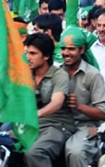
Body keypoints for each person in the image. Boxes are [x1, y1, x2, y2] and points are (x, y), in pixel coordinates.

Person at [24, 34, 77, 167]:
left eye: (33, 53)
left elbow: (56, 103)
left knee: (35, 153)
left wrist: (36, 114)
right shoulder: (26, 74)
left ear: (46, 56)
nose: (28, 57)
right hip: (31, 124)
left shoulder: (59, 75)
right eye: (26, 53)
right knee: (2, 142)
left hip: (57, 125)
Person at [59, 28, 105, 167]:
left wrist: (79, 106)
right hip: (59, 124)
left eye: (71, 49)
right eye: (63, 49)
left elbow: (103, 112)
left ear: (82, 50)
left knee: (75, 151)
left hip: (85, 126)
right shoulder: (57, 72)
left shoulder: (93, 75)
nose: (66, 53)